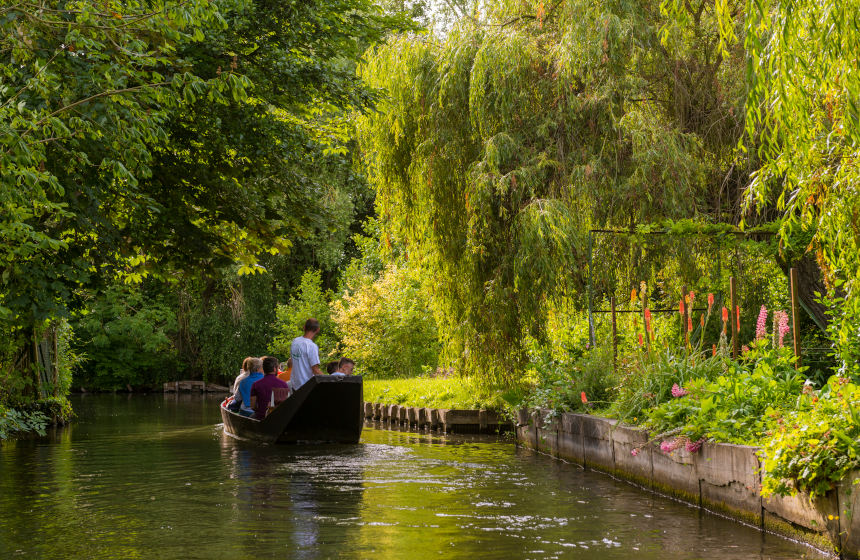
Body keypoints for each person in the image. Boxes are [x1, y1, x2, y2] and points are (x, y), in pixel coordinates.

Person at [289, 318, 323, 391]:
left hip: (295, 385)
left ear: (304, 327)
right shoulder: (311, 346)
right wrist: (329, 380)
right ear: (318, 330)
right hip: (306, 387)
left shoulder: (295, 341)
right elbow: (315, 370)